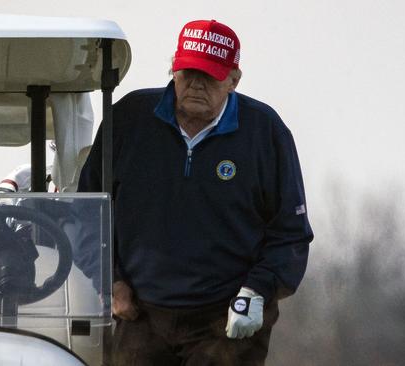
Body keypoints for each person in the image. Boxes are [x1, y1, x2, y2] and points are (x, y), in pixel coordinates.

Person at [78, 19, 313, 365]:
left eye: (210, 76)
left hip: (227, 319)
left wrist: (258, 291)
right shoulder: (128, 120)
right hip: (139, 313)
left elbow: (290, 235)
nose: (196, 85)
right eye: (188, 73)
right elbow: (85, 213)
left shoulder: (266, 133)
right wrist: (109, 280)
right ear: (173, 68)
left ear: (234, 80)